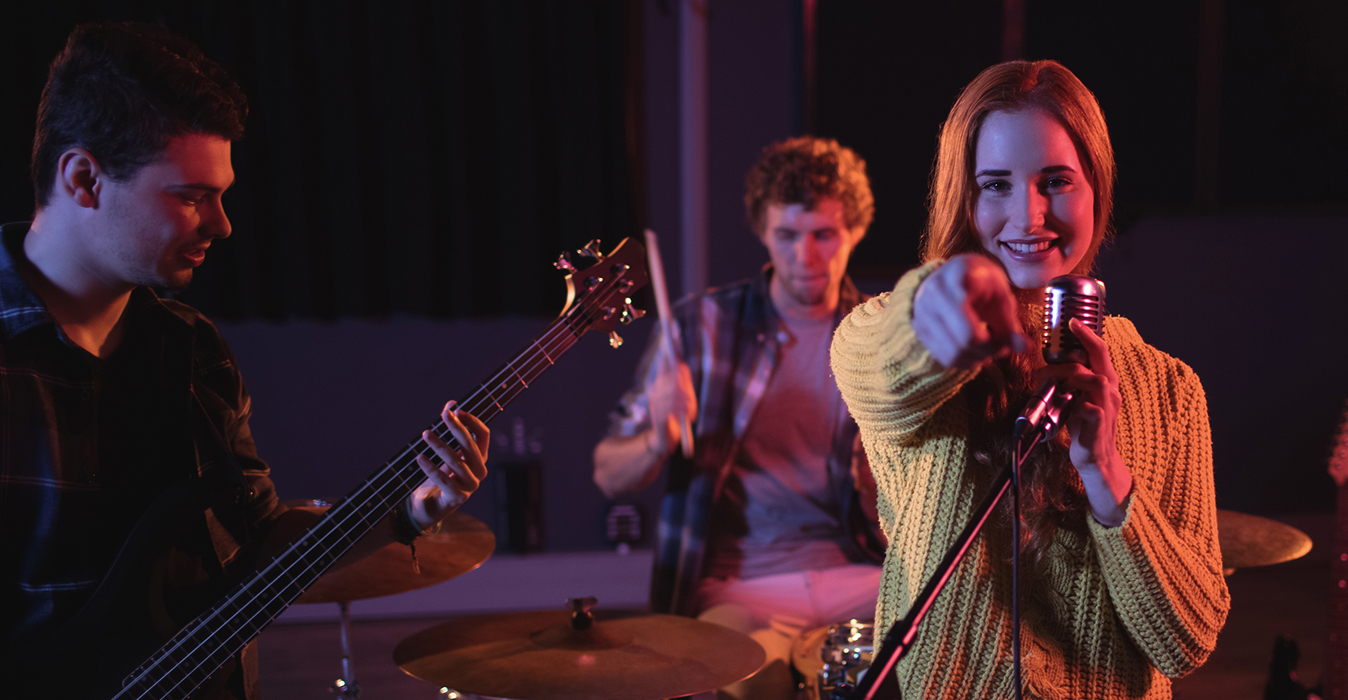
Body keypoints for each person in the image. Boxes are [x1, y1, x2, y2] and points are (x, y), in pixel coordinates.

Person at [0, 24, 490, 700]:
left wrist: (408, 511)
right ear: (84, 179)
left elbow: (259, 545)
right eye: (191, 195)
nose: (222, 224)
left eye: (221, 194)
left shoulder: (193, 350)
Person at [829, 60, 1229, 700]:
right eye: (995, 184)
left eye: (1055, 181)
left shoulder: (1171, 389)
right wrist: (941, 306)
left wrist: (1106, 472)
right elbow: (883, 366)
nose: (1028, 215)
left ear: (1096, 188)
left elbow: (1186, 643)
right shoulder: (890, 334)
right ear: (964, 197)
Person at [594, 136, 884, 700]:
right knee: (747, 686)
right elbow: (607, 474)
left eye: (824, 235)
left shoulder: (880, 335)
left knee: (940, 653)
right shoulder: (699, 327)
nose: (806, 257)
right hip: (742, 584)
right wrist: (659, 437)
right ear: (762, 231)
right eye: (788, 236)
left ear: (854, 231)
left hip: (856, 572)